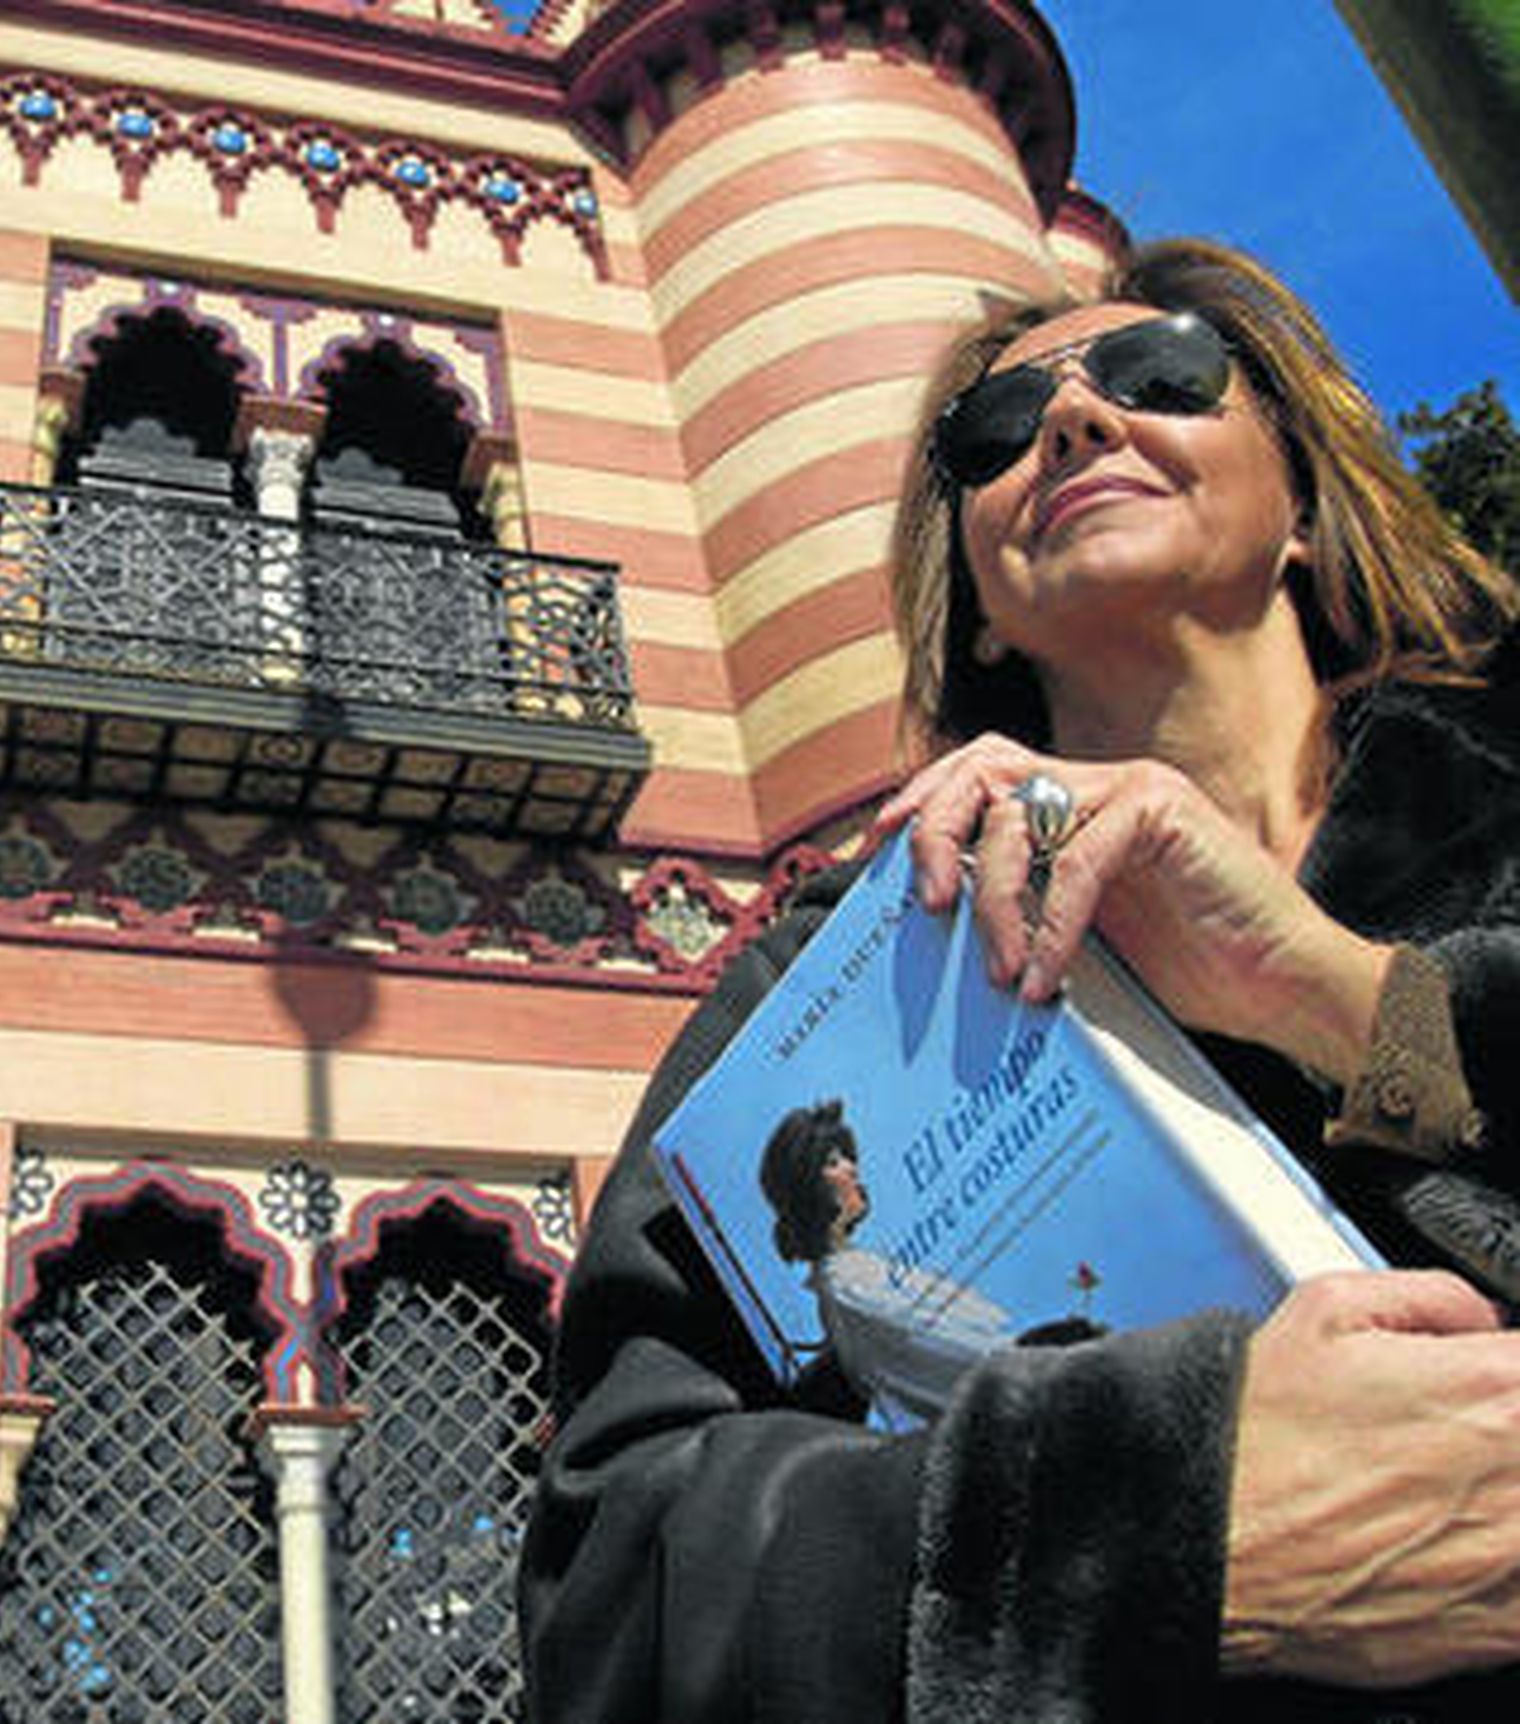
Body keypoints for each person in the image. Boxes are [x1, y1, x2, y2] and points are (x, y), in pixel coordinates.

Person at [519, 238, 1520, 1723]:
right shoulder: (844, 972)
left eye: (1159, 374)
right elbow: (622, 1586)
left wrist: (1339, 1001)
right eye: (994, 437)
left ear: (1304, 500)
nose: (1072, 423)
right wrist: (1165, 1536)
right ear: (978, 597)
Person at [759, 1099, 1014, 1426]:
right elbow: (960, 1354)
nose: (852, 1168)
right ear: (809, 1187)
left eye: (848, 1158)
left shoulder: (855, 1273)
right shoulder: (848, 1285)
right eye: (834, 1162)